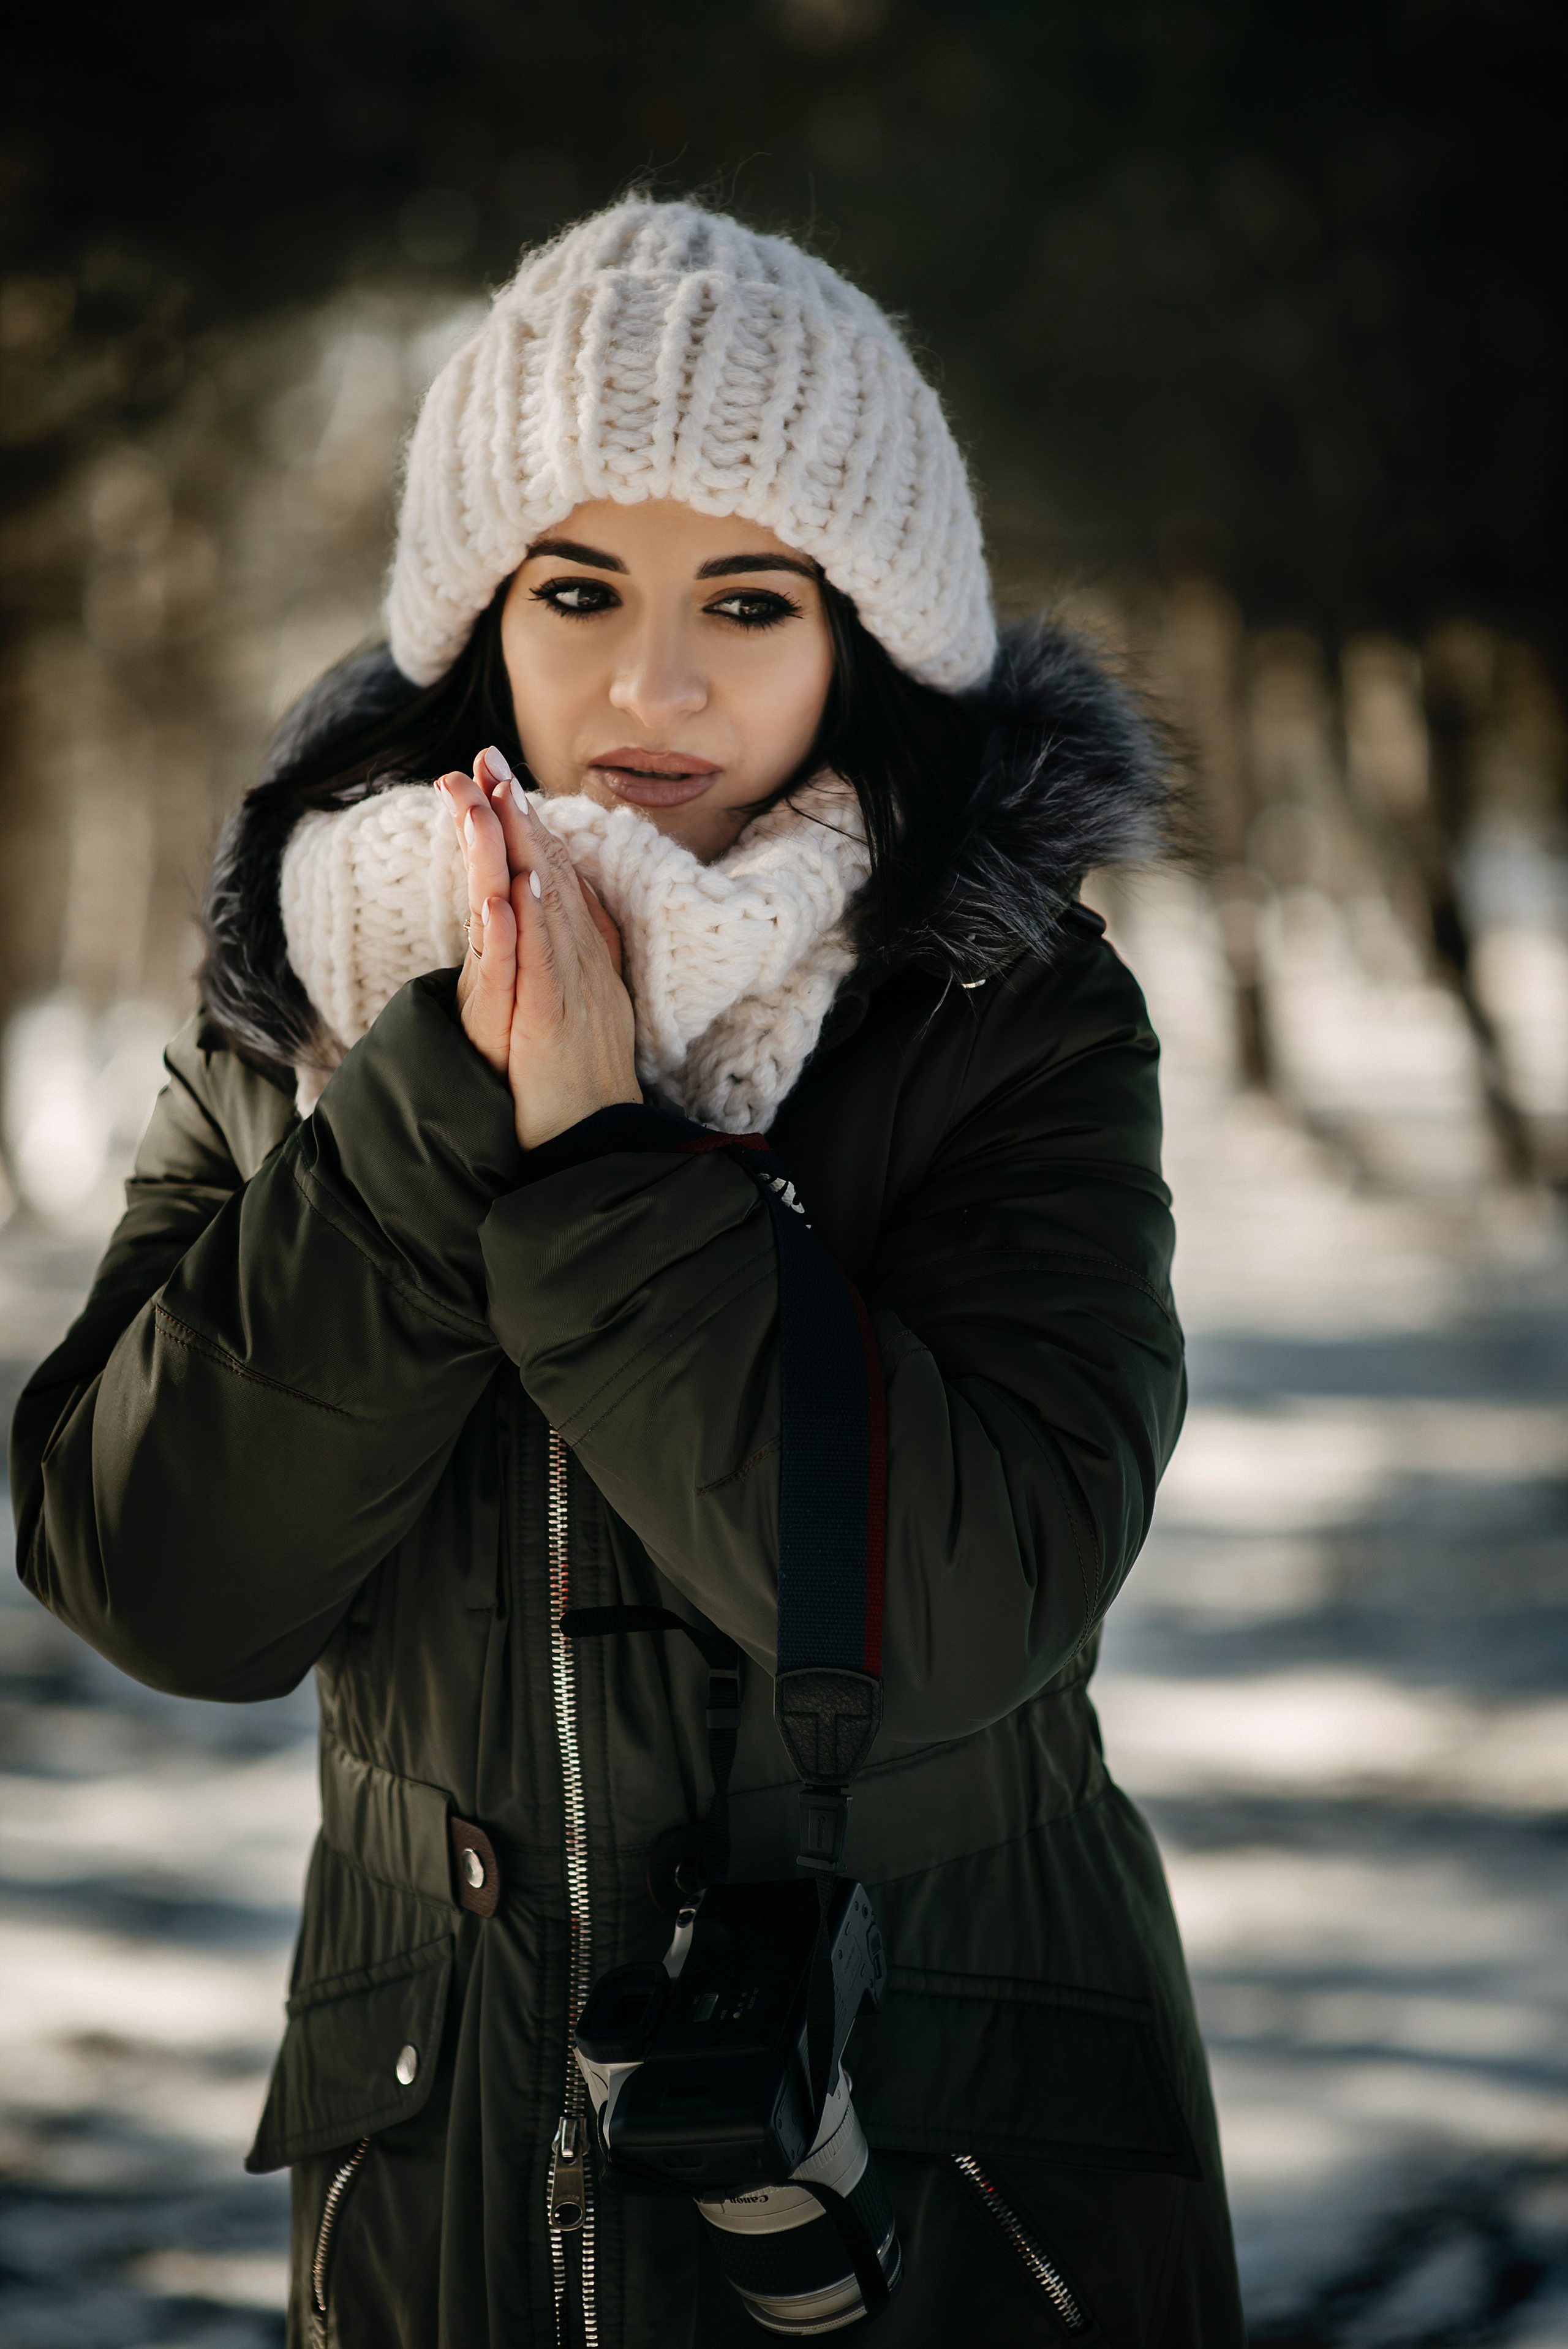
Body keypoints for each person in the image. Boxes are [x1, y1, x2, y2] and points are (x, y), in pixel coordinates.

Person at [10, 199, 1245, 2347]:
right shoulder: (307, 1004)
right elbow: (161, 1579)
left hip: (947, 2191)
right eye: (576, 589)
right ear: (478, 617)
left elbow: (967, 1603)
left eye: (747, 601)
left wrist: (595, 1167)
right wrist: (434, 1116)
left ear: (862, 635)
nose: (651, 687)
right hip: (451, 2206)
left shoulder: (1004, 1009)